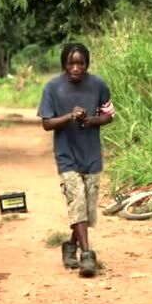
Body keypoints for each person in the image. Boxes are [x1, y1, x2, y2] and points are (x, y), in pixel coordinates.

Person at [37, 43, 114, 277]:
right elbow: (46, 123)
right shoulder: (52, 88)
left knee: (87, 210)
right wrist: (70, 116)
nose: (76, 68)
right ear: (64, 64)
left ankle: (70, 246)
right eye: (71, 63)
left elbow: (108, 115)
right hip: (66, 155)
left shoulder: (98, 85)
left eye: (80, 63)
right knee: (77, 200)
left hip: (91, 155)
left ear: (87, 63)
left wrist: (91, 120)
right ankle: (87, 255)